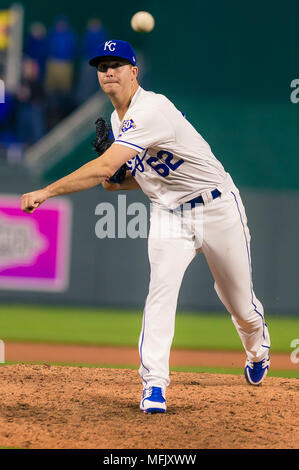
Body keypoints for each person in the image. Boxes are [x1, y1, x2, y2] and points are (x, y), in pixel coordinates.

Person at [21, 40, 271, 414]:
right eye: (103, 66)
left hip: (217, 207)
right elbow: (122, 178)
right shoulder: (121, 122)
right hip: (169, 215)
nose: (109, 71)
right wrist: (118, 179)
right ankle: (154, 384)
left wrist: (48, 190)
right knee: (160, 293)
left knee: (240, 305)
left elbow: (105, 168)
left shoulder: (151, 108)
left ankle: (257, 348)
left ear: (134, 72)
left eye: (117, 64)